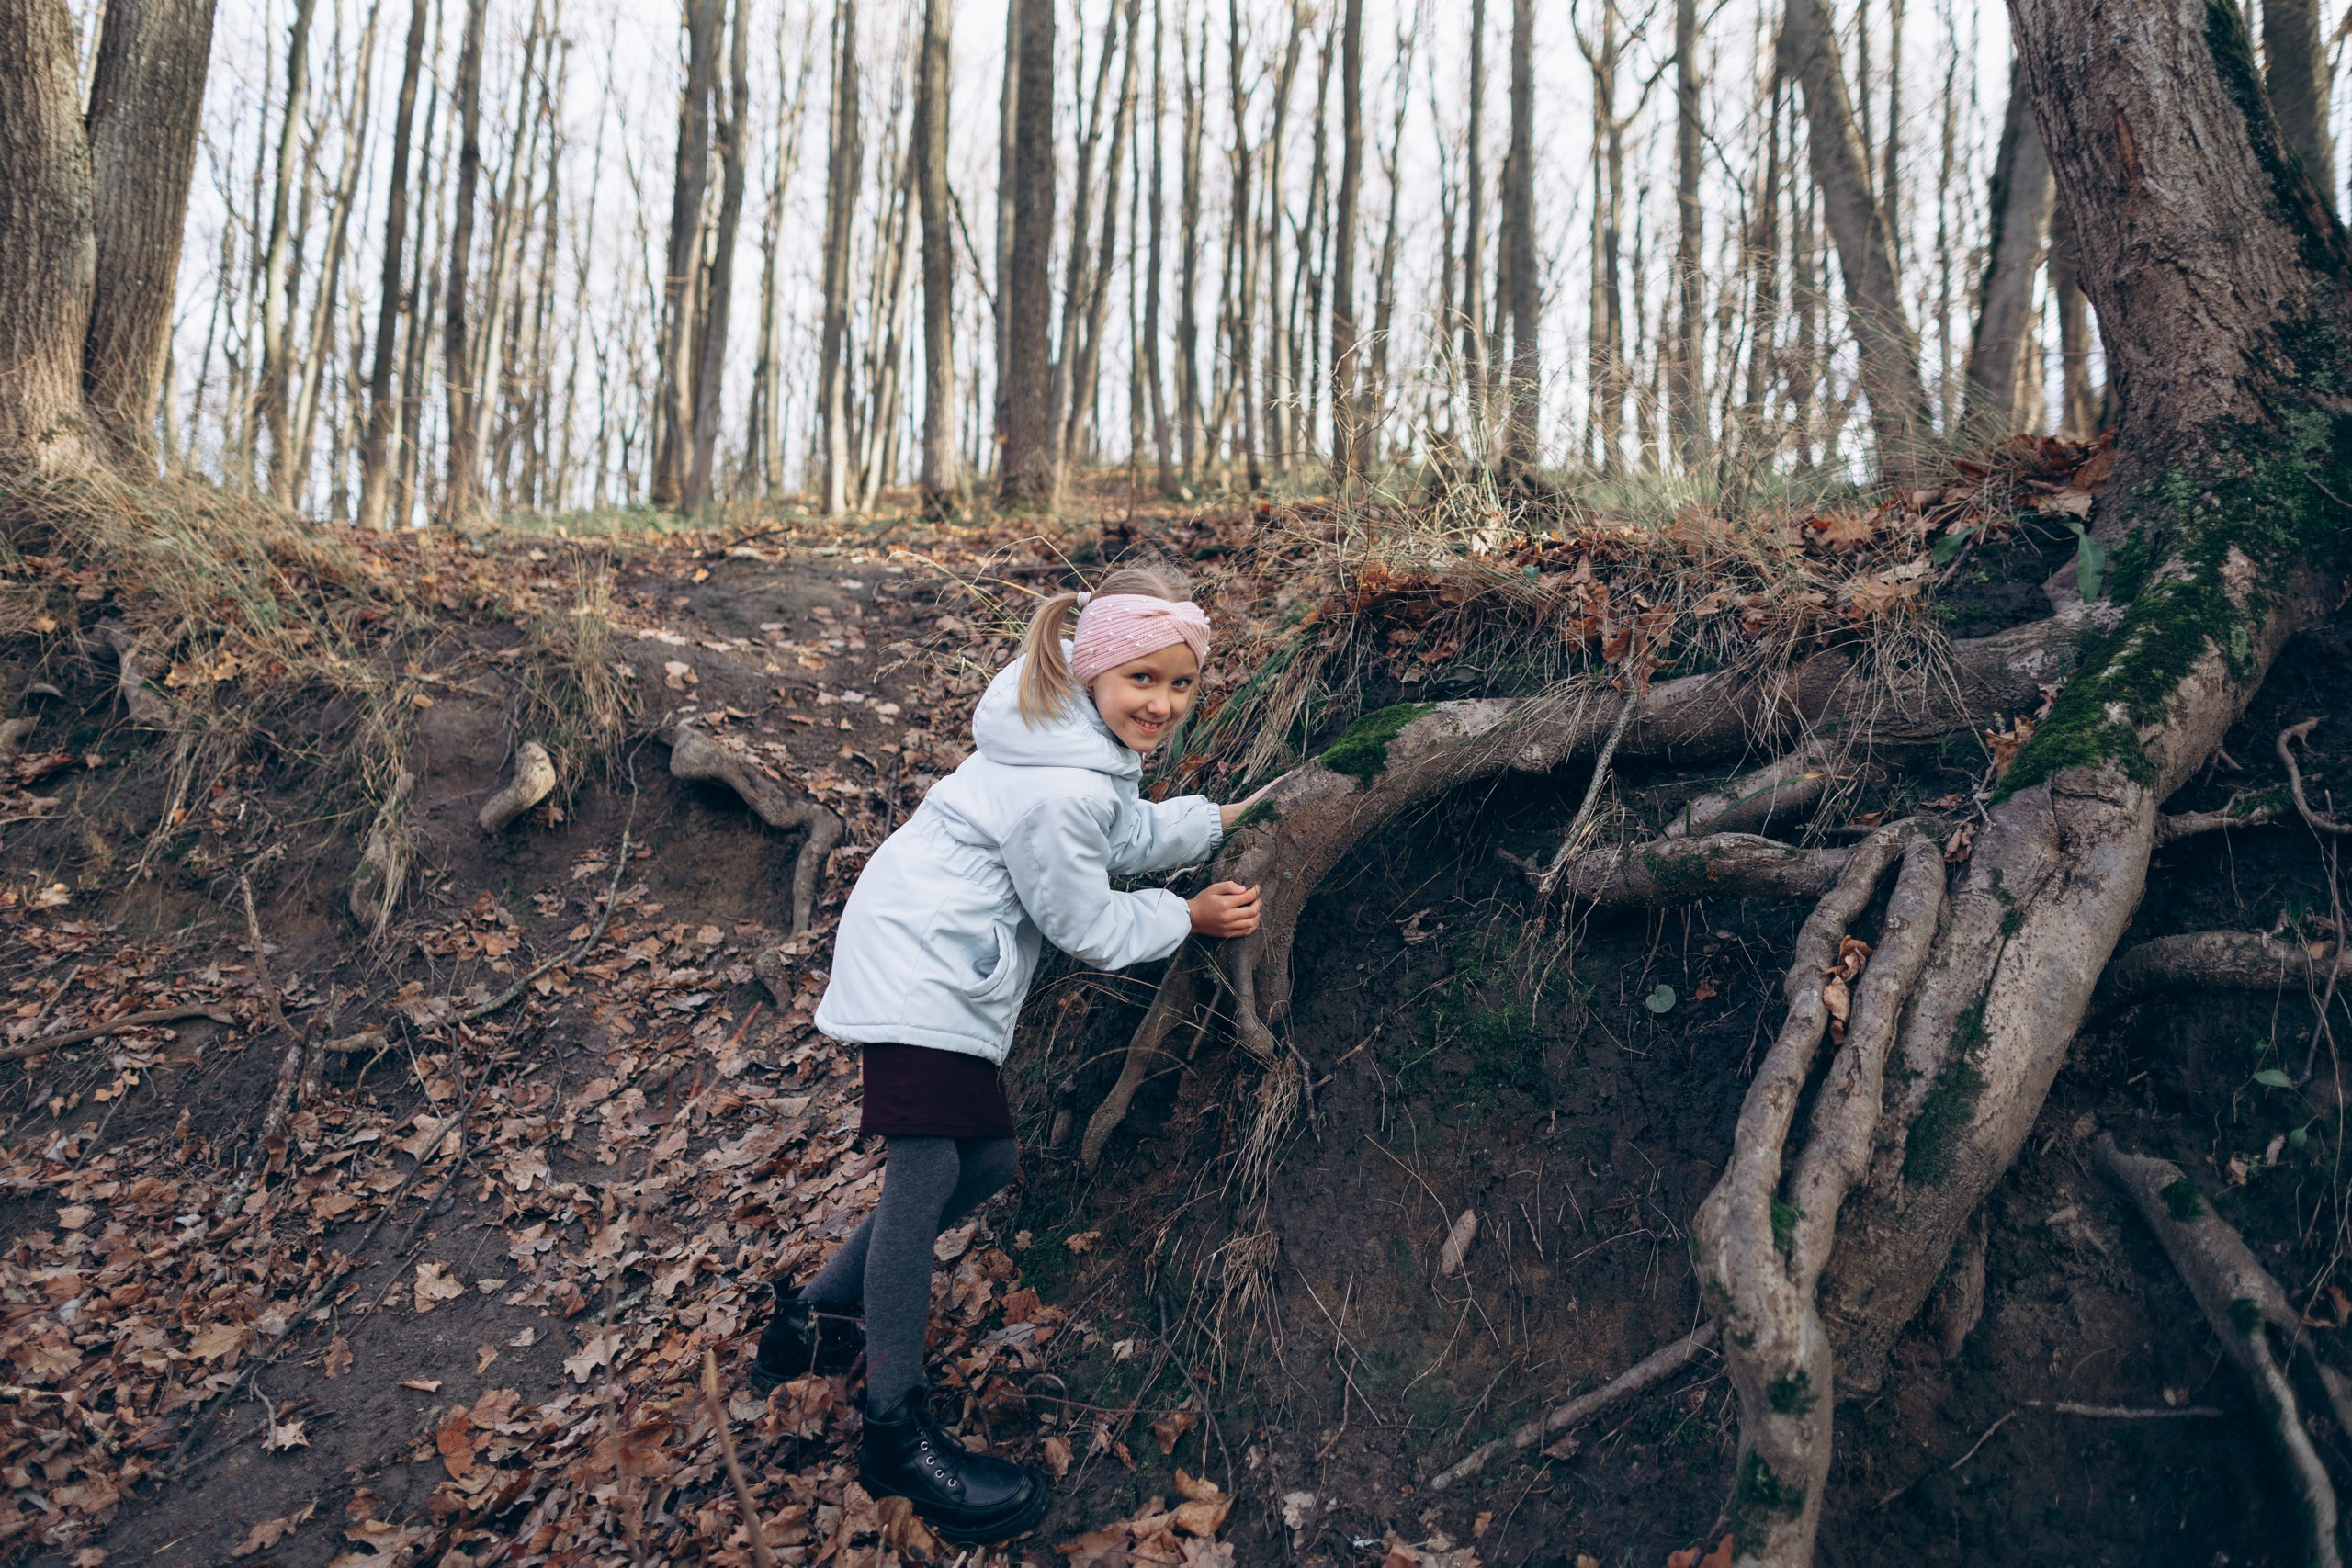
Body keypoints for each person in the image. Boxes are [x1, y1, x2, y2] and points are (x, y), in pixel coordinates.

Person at [749, 565, 1270, 1544]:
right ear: (1094, 673)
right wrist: (1186, 915)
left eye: (1180, 685)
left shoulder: (1069, 744)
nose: (1160, 703)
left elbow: (1121, 832)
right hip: (925, 963)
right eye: (1142, 681)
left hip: (936, 952)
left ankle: (813, 1323)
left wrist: (1213, 821)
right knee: (928, 1168)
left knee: (984, 1161)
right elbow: (1085, 918)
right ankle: (894, 1432)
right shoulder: (1062, 781)